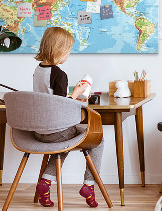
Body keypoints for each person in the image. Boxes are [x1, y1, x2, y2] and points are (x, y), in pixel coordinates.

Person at [33, 27, 103, 208]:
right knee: (98, 139)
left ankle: (45, 183)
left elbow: (49, 99)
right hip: (56, 131)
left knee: (63, 142)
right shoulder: (59, 74)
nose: (68, 54)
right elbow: (61, 106)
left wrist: (73, 95)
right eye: (68, 50)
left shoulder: (38, 70)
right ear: (59, 50)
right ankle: (89, 185)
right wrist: (78, 93)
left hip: (39, 131)